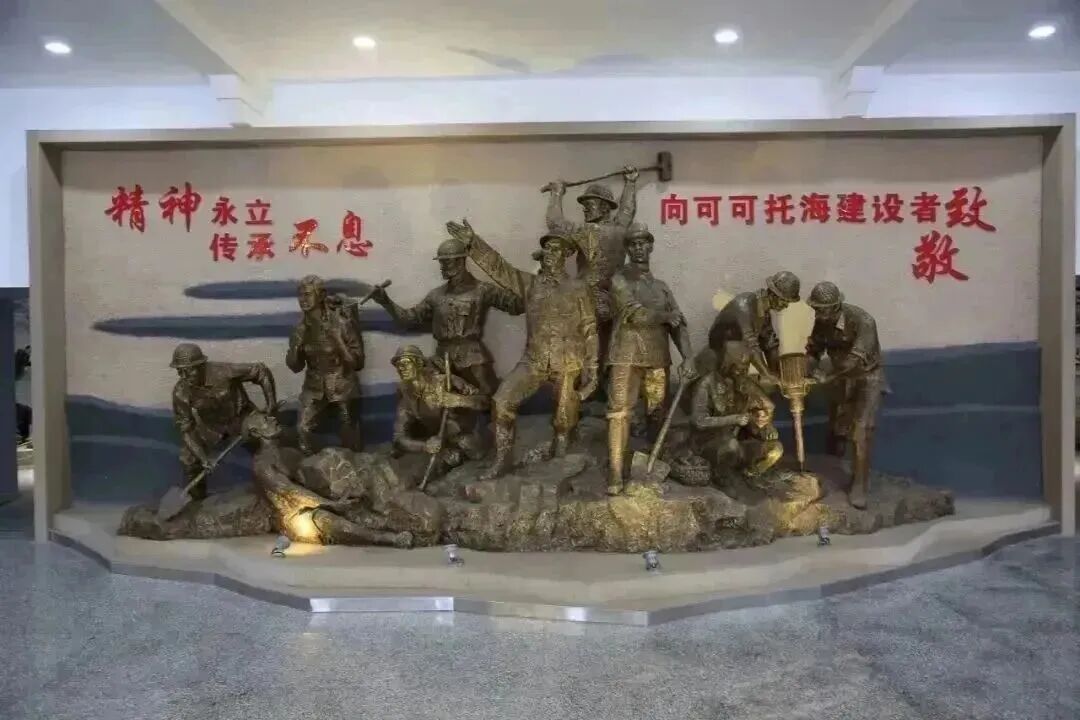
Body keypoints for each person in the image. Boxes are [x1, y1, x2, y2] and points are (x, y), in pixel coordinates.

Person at [446, 219, 598, 480]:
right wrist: (474, 243)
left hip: (568, 362)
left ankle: (560, 463)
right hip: (534, 361)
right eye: (547, 248)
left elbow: (590, 330)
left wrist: (592, 370)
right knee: (502, 401)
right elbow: (502, 270)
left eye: (556, 249)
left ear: (566, 254)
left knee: (564, 420)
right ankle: (503, 460)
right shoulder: (531, 284)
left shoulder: (578, 289)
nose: (549, 253)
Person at [368, 236, 524, 397]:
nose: (442, 267)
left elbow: (517, 305)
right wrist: (385, 301)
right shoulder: (435, 296)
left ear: (460, 261)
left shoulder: (483, 290)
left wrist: (527, 283)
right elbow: (408, 319)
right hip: (442, 360)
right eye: (441, 262)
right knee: (435, 398)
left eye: (446, 262)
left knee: (489, 397)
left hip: (472, 358)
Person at [605, 223, 695, 495]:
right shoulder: (619, 280)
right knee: (619, 412)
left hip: (657, 357)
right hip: (626, 356)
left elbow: (679, 324)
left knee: (657, 413)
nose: (638, 248)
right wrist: (666, 317)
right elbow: (635, 313)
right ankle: (615, 473)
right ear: (627, 249)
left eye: (643, 243)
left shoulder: (662, 287)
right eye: (633, 244)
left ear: (651, 246)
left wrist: (688, 357)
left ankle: (652, 466)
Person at [244, 410, 413, 547]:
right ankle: (387, 539)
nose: (273, 419)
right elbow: (292, 491)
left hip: (318, 499)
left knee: (354, 501)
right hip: (295, 513)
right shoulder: (262, 465)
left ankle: (396, 524)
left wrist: (336, 494)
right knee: (324, 519)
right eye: (266, 419)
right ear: (256, 432)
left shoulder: (288, 452)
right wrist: (330, 504)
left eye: (269, 416)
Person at [805, 281, 887, 509]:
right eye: (816, 310)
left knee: (861, 430)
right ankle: (836, 470)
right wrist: (809, 366)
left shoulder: (863, 321)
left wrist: (827, 376)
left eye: (824, 310)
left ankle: (860, 483)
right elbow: (813, 350)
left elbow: (854, 360)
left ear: (836, 306)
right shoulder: (820, 322)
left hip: (867, 378)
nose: (819, 315)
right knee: (838, 428)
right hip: (841, 380)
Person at [170, 342, 276, 499]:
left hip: (242, 418)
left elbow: (261, 371)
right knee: (188, 458)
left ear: (201, 366)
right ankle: (197, 501)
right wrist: (204, 458)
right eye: (180, 371)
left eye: (189, 370)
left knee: (269, 435)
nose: (184, 376)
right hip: (212, 428)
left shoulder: (224, 371)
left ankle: (275, 485)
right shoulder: (181, 392)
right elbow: (186, 430)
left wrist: (271, 403)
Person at [287, 275, 365, 454]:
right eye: (300, 295)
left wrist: (338, 340)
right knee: (302, 429)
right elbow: (295, 367)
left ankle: (354, 461)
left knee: (349, 426)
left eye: (307, 294)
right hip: (314, 386)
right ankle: (313, 464)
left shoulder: (342, 323)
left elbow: (358, 363)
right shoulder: (300, 329)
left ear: (321, 295)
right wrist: (296, 346)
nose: (302, 300)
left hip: (342, 383)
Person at [690, 341, 783, 481]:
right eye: (739, 368)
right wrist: (733, 419)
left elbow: (766, 406)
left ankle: (751, 475)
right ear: (727, 364)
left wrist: (763, 424)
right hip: (711, 444)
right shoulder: (706, 384)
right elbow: (699, 421)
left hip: (738, 444)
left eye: (746, 368)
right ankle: (723, 477)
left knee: (775, 449)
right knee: (730, 446)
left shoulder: (743, 383)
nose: (743, 372)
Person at [390, 345, 489, 476]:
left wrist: (458, 400)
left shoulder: (446, 382)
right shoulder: (407, 396)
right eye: (397, 365)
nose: (400, 368)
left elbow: (485, 402)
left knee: (453, 455)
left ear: (419, 363)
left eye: (405, 363)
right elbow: (399, 437)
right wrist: (425, 446)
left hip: (460, 439)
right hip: (434, 440)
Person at [705, 271, 801, 386]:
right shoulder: (745, 306)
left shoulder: (764, 312)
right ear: (773, 294)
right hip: (722, 359)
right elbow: (751, 346)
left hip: (738, 361)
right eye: (784, 300)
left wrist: (776, 373)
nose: (786, 305)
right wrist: (766, 374)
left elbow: (769, 343)